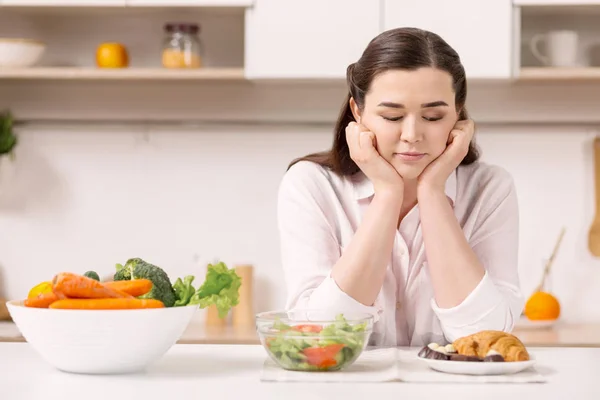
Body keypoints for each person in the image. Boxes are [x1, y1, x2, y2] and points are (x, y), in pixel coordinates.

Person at [276, 27, 524, 347]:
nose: (411, 134)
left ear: (458, 115)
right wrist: (388, 194)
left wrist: (432, 191)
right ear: (358, 112)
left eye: (433, 116)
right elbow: (320, 340)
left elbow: (487, 339)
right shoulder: (310, 185)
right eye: (392, 116)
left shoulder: (490, 188)